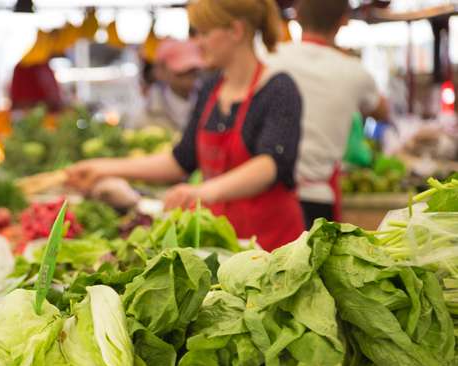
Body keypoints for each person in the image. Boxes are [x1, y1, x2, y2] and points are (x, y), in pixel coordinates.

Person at [67, 0, 305, 251]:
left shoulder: (279, 88)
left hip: (273, 243)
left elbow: (270, 164)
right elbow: (181, 160)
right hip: (222, 242)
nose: (197, 43)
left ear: (236, 31)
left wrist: (204, 191)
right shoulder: (210, 90)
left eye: (204, 32)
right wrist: (103, 168)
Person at [266, 0, 389, 227]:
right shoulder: (353, 71)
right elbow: (382, 111)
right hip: (317, 200)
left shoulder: (269, 58)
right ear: (343, 22)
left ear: (296, 17)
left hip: (267, 195)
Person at [130, 39, 205, 131]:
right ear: (160, 70)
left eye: (193, 68)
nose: (189, 73)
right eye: (181, 70)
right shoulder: (147, 114)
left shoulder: (211, 102)